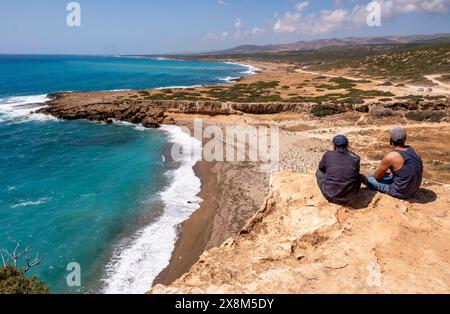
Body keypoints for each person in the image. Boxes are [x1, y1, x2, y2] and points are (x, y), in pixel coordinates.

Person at [364, 127, 423, 199]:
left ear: (390, 141)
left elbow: (377, 178)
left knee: (369, 178)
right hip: (414, 190)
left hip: (400, 192)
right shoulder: (414, 151)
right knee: (389, 175)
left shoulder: (391, 156)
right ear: (405, 140)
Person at [316, 135, 361, 205]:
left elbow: (321, 167)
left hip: (331, 196)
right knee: (358, 176)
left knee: (319, 172)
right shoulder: (356, 158)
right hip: (350, 198)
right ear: (347, 145)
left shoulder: (328, 155)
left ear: (334, 146)